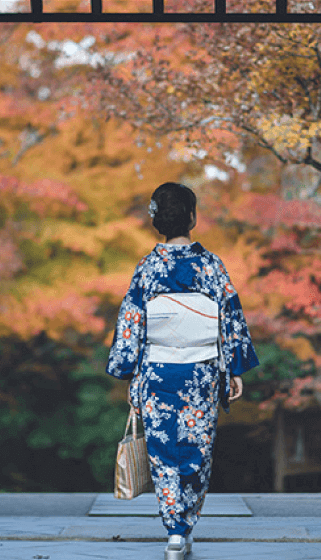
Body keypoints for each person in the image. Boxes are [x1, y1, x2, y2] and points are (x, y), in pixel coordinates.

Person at [107, 182, 259, 560]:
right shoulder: (210, 265)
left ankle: (173, 529)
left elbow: (132, 322)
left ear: (157, 219)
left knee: (162, 449)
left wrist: (131, 373)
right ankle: (183, 526)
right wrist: (233, 368)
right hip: (201, 371)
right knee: (196, 446)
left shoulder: (147, 267)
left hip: (157, 370)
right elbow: (230, 317)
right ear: (192, 217)